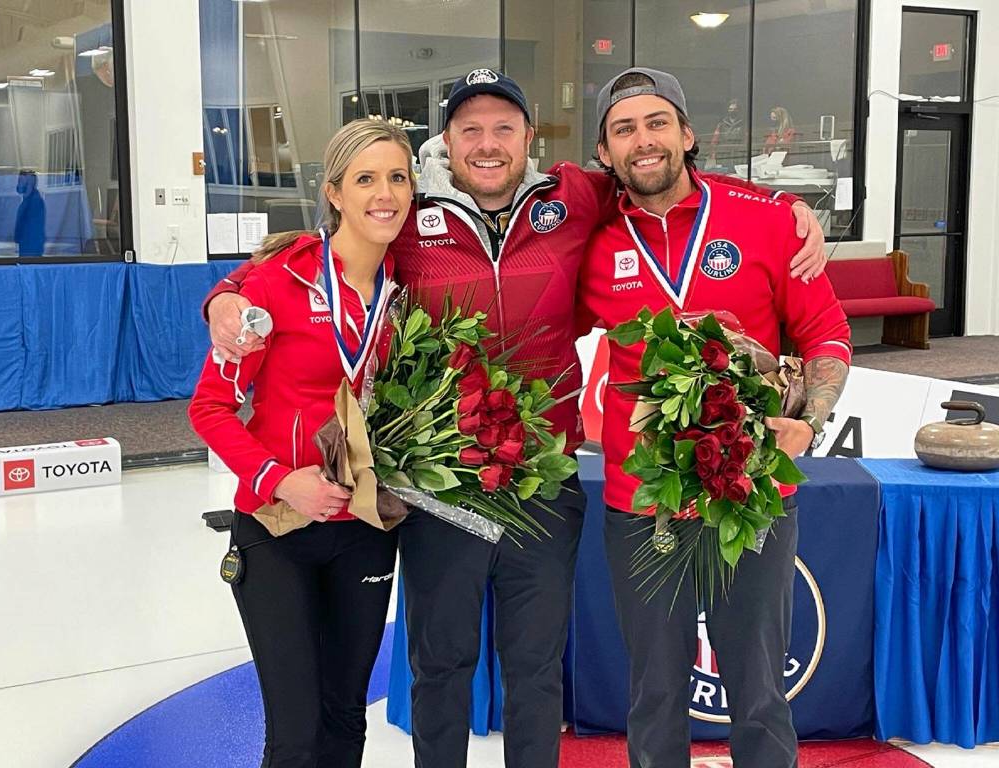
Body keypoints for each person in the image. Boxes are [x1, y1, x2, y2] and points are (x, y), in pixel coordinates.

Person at [204, 69, 828, 768]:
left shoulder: (577, 197)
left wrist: (786, 206)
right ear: (446, 141)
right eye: (469, 128)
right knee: (440, 668)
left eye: (504, 126)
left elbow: (660, 172)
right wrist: (226, 292)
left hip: (544, 486)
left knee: (536, 672)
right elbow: (320, 248)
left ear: (531, 136)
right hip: (444, 491)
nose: (488, 143)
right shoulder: (410, 217)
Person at [576, 67, 851, 768]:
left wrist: (809, 421)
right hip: (642, 504)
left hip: (752, 494)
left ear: (688, 134)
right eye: (624, 129)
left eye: (658, 122)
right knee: (656, 691)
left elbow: (825, 332)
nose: (644, 141)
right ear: (605, 153)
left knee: (759, 690)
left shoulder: (763, 218)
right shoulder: (592, 241)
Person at [188, 118, 415, 768]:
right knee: (296, 734)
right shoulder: (274, 283)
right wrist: (280, 478)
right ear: (335, 192)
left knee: (346, 722)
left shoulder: (409, 284)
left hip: (369, 528)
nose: (385, 192)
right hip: (277, 529)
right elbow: (209, 407)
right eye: (366, 177)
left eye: (397, 177)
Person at [14, 170, 46, 257]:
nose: (18, 184)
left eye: (21, 181)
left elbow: (33, 231)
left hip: (31, 251)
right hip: (26, 248)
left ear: (29, 182)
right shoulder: (27, 201)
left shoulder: (35, 202)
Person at [708, 98, 744, 166]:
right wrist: (713, 153)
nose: (732, 111)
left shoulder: (743, 124)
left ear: (738, 110)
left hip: (738, 153)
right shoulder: (722, 124)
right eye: (730, 109)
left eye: (735, 109)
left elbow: (746, 139)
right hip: (724, 153)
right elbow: (715, 139)